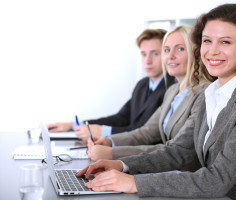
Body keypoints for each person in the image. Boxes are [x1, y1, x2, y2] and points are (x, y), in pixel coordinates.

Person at [76, 4, 236, 199]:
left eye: (225, 42)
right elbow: (179, 151)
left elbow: (217, 179)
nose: (212, 51)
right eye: (207, 41)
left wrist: (134, 182)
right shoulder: (212, 93)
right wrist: (121, 165)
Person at [87, 26, 209, 168]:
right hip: (165, 168)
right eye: (167, 50)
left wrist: (112, 153)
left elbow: (177, 149)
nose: (170, 56)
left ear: (196, 52)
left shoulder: (204, 93)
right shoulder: (173, 91)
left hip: (183, 175)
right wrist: (109, 141)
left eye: (180, 49)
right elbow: (147, 133)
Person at [47, 29, 175, 141]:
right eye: (143, 54)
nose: (147, 61)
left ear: (166, 54)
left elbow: (143, 132)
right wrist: (74, 125)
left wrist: (103, 131)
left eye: (155, 54)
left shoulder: (173, 88)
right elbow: (121, 118)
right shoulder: (142, 85)